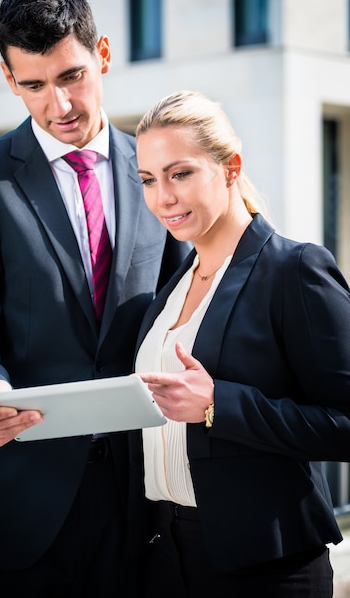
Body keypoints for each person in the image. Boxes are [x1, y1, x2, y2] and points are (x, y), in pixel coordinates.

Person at [0, 0, 189, 598]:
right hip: (16, 508)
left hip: (140, 508)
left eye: (72, 75)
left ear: (102, 54)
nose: (60, 105)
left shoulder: (157, 173)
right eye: (34, 85)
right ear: (8, 76)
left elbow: (188, 309)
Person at [129, 90, 350, 597]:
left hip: (265, 566)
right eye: (148, 179)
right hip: (165, 555)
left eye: (180, 173)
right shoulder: (171, 288)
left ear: (230, 168)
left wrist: (217, 405)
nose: (163, 197)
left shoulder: (295, 269)